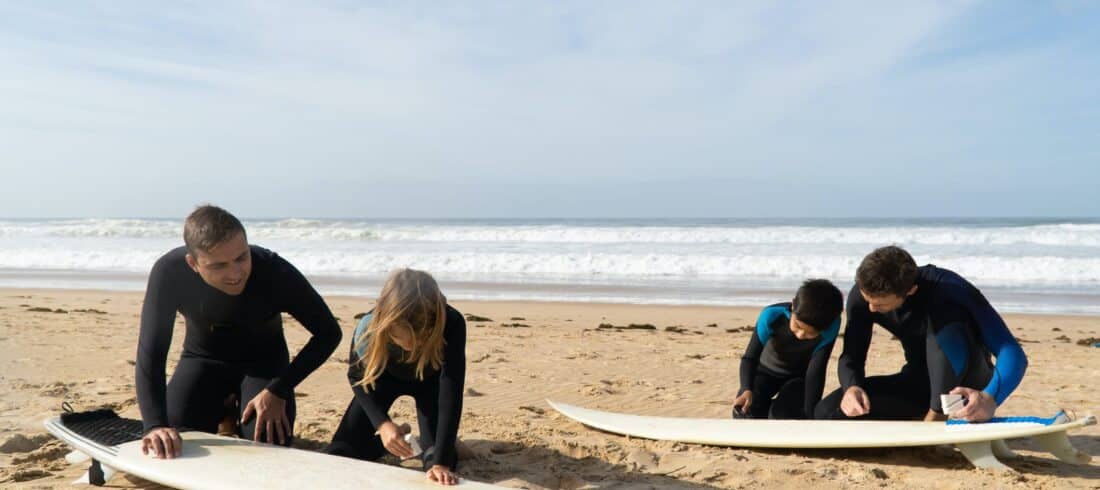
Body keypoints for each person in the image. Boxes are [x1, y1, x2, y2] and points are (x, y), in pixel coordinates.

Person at [135, 205, 342, 458]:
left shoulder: (274, 272)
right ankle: (224, 411)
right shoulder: (170, 273)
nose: (235, 273)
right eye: (219, 265)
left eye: (242, 257)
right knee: (179, 437)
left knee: (268, 444)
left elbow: (329, 333)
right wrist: (154, 425)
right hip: (203, 360)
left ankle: (236, 411)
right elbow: (151, 351)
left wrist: (279, 389)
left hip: (264, 366)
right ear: (193, 263)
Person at [815, 245, 1027, 422]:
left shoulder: (950, 288)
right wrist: (852, 388)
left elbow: (1011, 352)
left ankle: (937, 417)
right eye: (866, 298)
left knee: (943, 323)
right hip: (917, 385)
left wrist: (990, 398)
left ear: (910, 290)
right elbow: (852, 354)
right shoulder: (863, 297)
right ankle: (925, 416)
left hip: (965, 389)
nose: (870, 308)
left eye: (879, 304)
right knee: (826, 413)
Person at [325, 269, 466, 486]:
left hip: (431, 386)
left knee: (434, 459)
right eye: (399, 337)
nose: (410, 347)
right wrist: (383, 425)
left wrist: (441, 462)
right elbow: (356, 377)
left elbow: (451, 391)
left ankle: (437, 446)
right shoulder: (369, 326)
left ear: (430, 326)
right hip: (383, 382)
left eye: (419, 339)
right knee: (340, 451)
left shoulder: (451, 323)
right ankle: (391, 442)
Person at [732, 279, 843, 419]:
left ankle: (775, 407)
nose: (801, 335)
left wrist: (809, 414)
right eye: (798, 325)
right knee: (742, 413)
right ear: (793, 305)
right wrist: (746, 389)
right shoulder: (772, 315)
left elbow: (816, 371)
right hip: (764, 373)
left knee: (781, 418)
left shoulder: (831, 326)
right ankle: (770, 405)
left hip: (797, 378)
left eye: (811, 333)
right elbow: (750, 358)